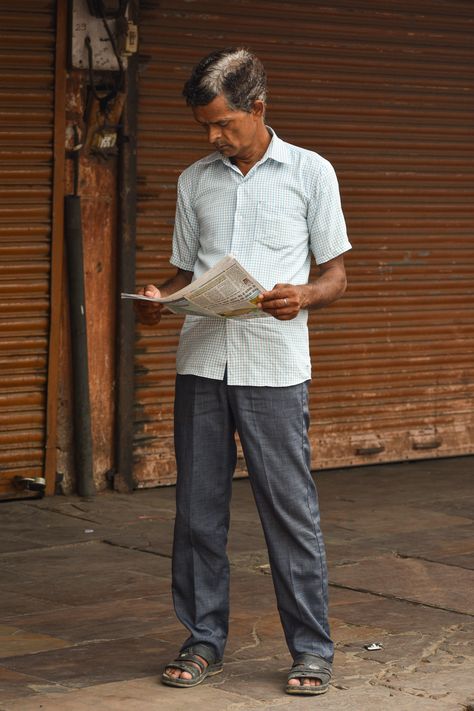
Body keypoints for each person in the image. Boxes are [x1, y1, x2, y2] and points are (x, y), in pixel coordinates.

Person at [135, 47, 351, 696]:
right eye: (204, 126)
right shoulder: (194, 180)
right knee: (198, 514)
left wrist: (304, 296)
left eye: (223, 124)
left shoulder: (311, 173)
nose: (213, 137)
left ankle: (311, 648)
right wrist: (158, 300)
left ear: (258, 108)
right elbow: (184, 271)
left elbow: (336, 274)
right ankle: (203, 639)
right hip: (202, 362)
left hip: (274, 367)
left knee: (289, 511)